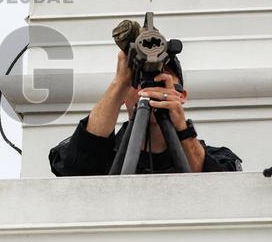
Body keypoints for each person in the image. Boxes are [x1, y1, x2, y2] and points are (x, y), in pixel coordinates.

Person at [49, 50, 241, 176]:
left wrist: (183, 129)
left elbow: (220, 187)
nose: (151, 89)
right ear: (123, 95)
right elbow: (72, 167)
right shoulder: (105, 157)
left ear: (181, 96)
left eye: (161, 81)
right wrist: (120, 82)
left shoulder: (220, 158)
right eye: (138, 82)